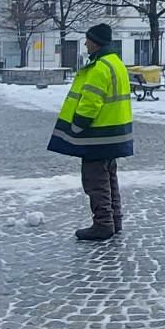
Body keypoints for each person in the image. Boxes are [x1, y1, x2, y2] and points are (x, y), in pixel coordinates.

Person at [48, 22, 134, 241]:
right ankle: (115, 220)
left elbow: (90, 104)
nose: (85, 43)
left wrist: (76, 126)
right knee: (109, 178)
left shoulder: (99, 68)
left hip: (98, 135)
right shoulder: (116, 63)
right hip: (114, 132)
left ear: (95, 42)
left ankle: (103, 224)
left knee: (95, 181)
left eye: (87, 39)